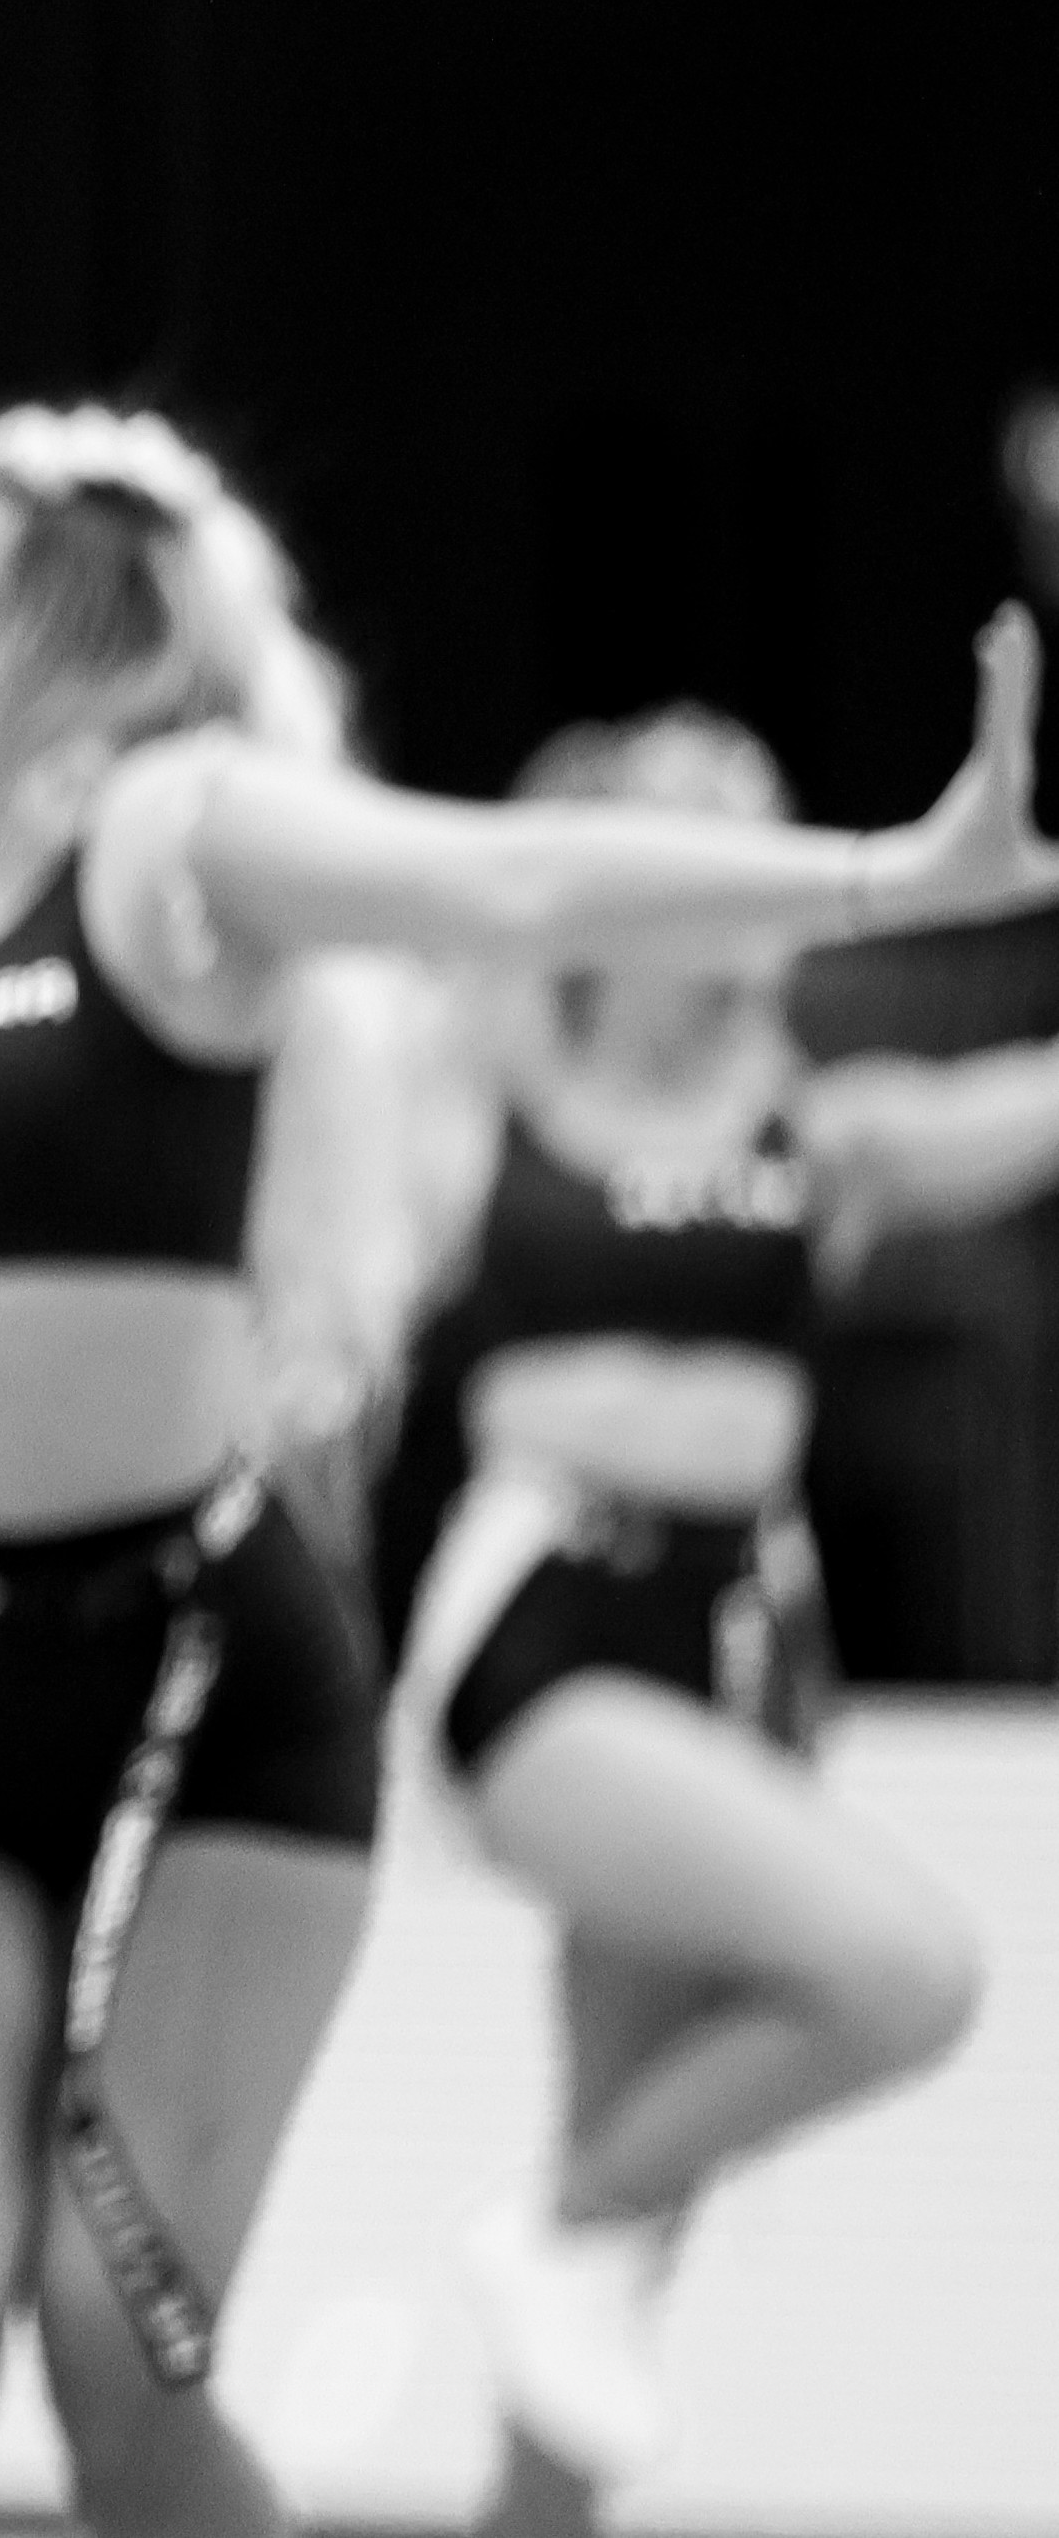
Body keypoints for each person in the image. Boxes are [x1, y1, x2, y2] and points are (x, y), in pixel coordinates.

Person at [0, 402, 1053, 2538]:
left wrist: (885, 875)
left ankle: (567, 2280)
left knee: (123, 2372)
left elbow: (500, 875)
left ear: (97, 634)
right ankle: (571, 2250)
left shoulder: (171, 828)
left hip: (199, 1677)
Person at [346, 710, 1059, 2523]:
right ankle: (558, 2224)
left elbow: (1026, 1108)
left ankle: (554, 2368)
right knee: (903, 1975)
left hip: (735, 1644)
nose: (745, 871)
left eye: (766, 832)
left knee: (611, 2259)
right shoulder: (482, 1104)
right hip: (548, 1637)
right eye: (699, 837)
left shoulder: (815, 1127)